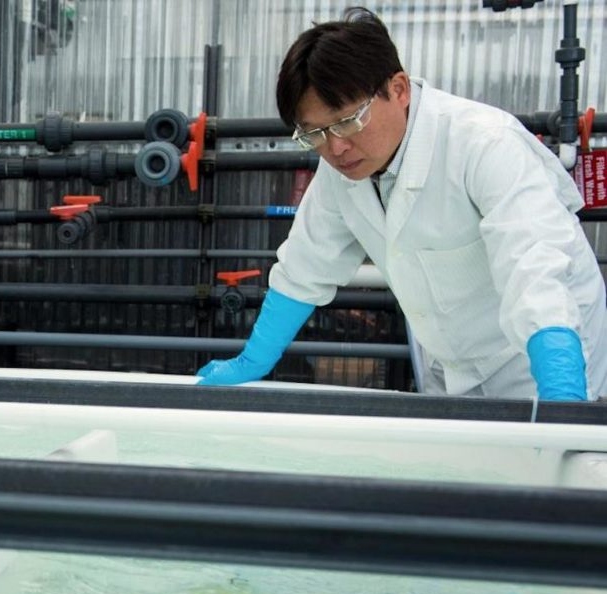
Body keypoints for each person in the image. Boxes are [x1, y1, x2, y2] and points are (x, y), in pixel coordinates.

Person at [197, 7, 607, 401]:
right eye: (314, 133)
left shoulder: (485, 144)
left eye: (346, 121)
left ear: (399, 89)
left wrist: (562, 392)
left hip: (544, 358)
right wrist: (253, 360)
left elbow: (534, 270)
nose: (335, 147)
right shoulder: (342, 171)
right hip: (450, 360)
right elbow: (305, 266)